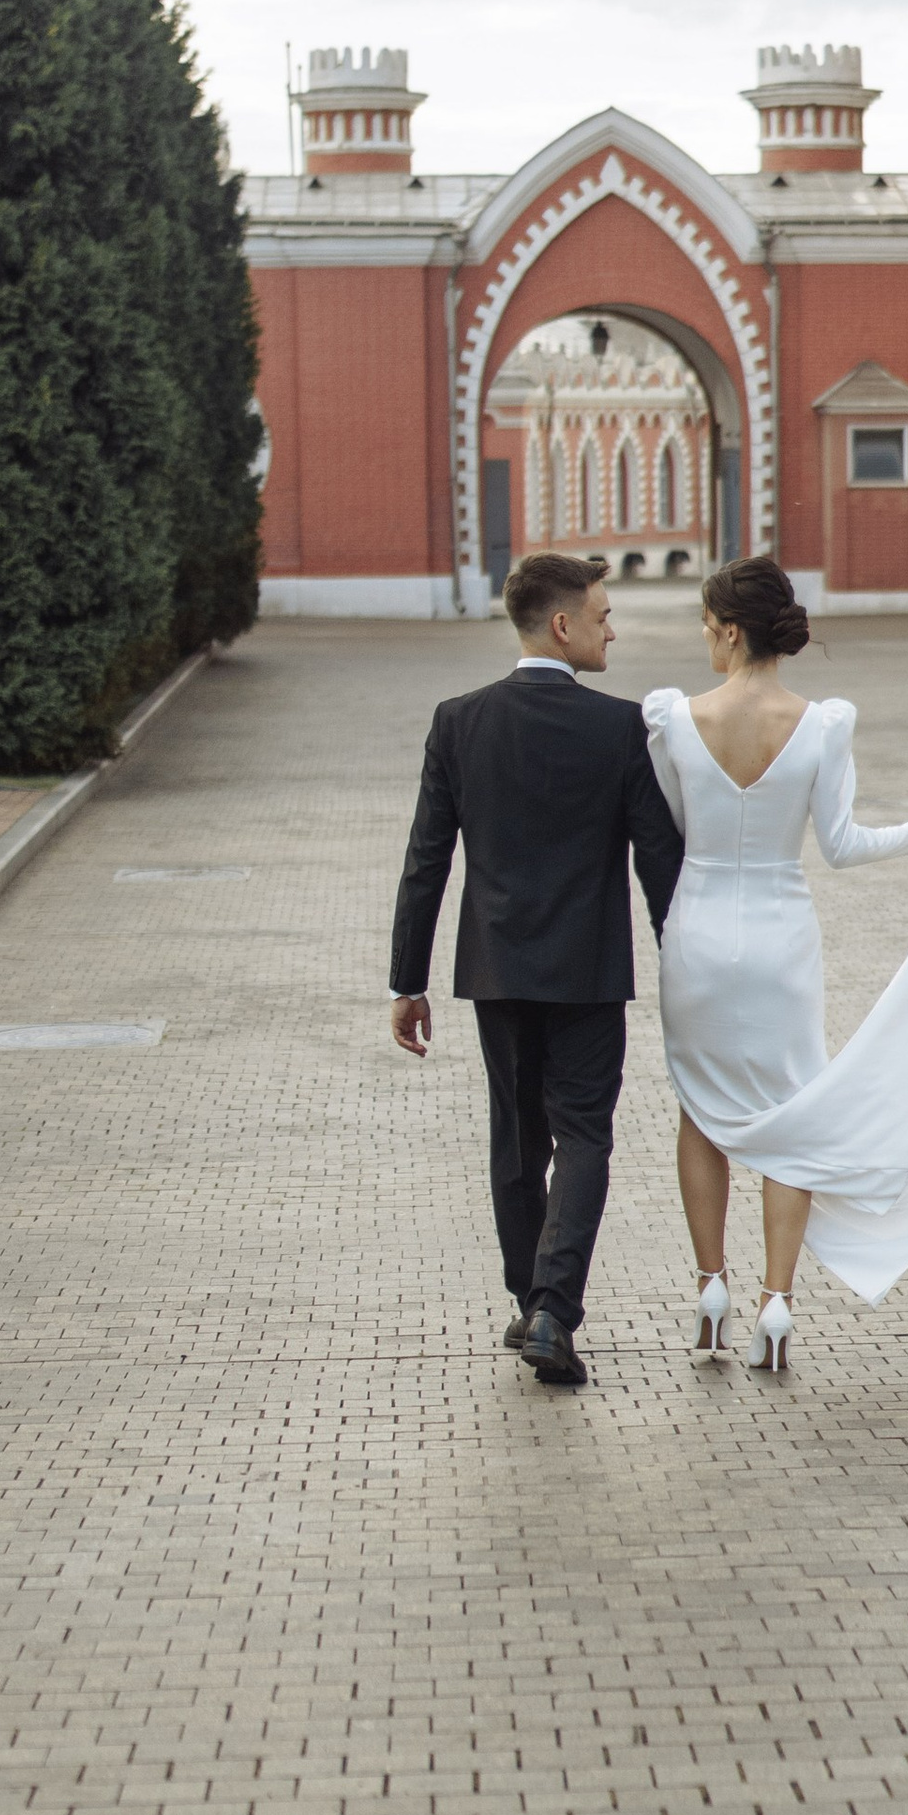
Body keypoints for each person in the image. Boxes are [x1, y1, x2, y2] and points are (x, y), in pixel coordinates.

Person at [640, 555, 908, 1374]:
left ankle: (712, 1289)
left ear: (732, 630)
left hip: (699, 931)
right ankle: (777, 1304)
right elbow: (841, 846)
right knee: (793, 1110)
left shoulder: (673, 720)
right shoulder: (820, 725)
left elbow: (673, 828)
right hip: (783, 938)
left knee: (700, 1113)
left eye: (709, 628)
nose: (705, 642)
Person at [390, 550, 683, 1390]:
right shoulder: (622, 728)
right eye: (601, 615)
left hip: (498, 969)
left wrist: (406, 980)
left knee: (517, 1140)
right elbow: (658, 865)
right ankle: (552, 1307)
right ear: (562, 625)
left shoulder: (458, 721)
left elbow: (425, 862)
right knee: (586, 1135)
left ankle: (534, 1302)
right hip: (589, 972)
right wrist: (688, 962)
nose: (612, 628)